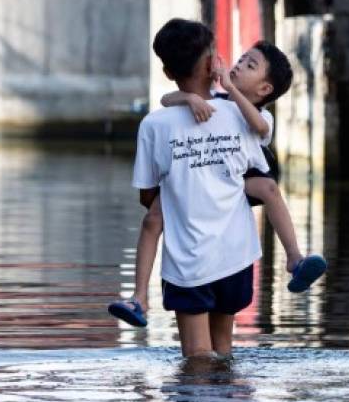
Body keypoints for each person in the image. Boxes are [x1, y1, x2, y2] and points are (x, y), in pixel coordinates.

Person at [110, 41, 327, 328]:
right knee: (152, 219)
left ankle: (294, 258)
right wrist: (190, 99)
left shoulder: (260, 115)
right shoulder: (214, 99)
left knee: (270, 189)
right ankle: (139, 298)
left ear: (264, 90)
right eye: (241, 60)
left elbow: (259, 129)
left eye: (250, 66)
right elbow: (165, 100)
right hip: (198, 178)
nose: (238, 65)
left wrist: (231, 89)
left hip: (239, 181)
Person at [111, 18, 267, 358]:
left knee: (197, 357)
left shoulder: (154, 125)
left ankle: (140, 297)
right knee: (223, 353)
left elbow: (146, 197)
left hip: (189, 259)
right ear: (212, 64)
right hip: (235, 254)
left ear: (168, 73)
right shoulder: (241, 115)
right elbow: (257, 170)